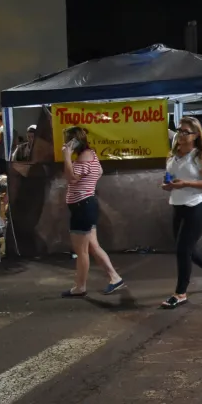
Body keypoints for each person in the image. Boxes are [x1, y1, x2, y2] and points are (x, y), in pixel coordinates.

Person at [161, 117, 202, 309]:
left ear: (196, 135)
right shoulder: (173, 155)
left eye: (185, 132)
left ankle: (180, 293)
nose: (180, 134)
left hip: (197, 206)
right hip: (178, 205)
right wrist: (169, 185)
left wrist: (186, 184)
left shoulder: (200, 156)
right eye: (179, 130)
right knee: (185, 249)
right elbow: (173, 178)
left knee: (183, 250)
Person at [59, 127, 125, 298]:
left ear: (74, 142)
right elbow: (99, 171)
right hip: (86, 205)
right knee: (93, 246)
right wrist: (88, 181)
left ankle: (80, 287)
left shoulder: (82, 158)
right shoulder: (92, 155)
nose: (65, 143)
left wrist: (66, 156)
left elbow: (71, 177)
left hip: (82, 207)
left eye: (68, 140)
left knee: (81, 251)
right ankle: (115, 277)